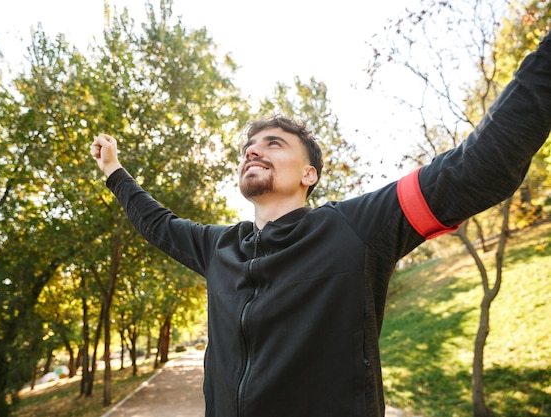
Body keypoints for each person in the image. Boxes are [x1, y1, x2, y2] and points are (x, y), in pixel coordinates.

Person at [90, 31, 551, 417]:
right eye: (249, 146)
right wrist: (114, 171)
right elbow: (156, 221)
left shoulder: (355, 230)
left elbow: (478, 168)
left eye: (274, 144)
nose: (254, 150)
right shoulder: (218, 248)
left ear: (309, 175)